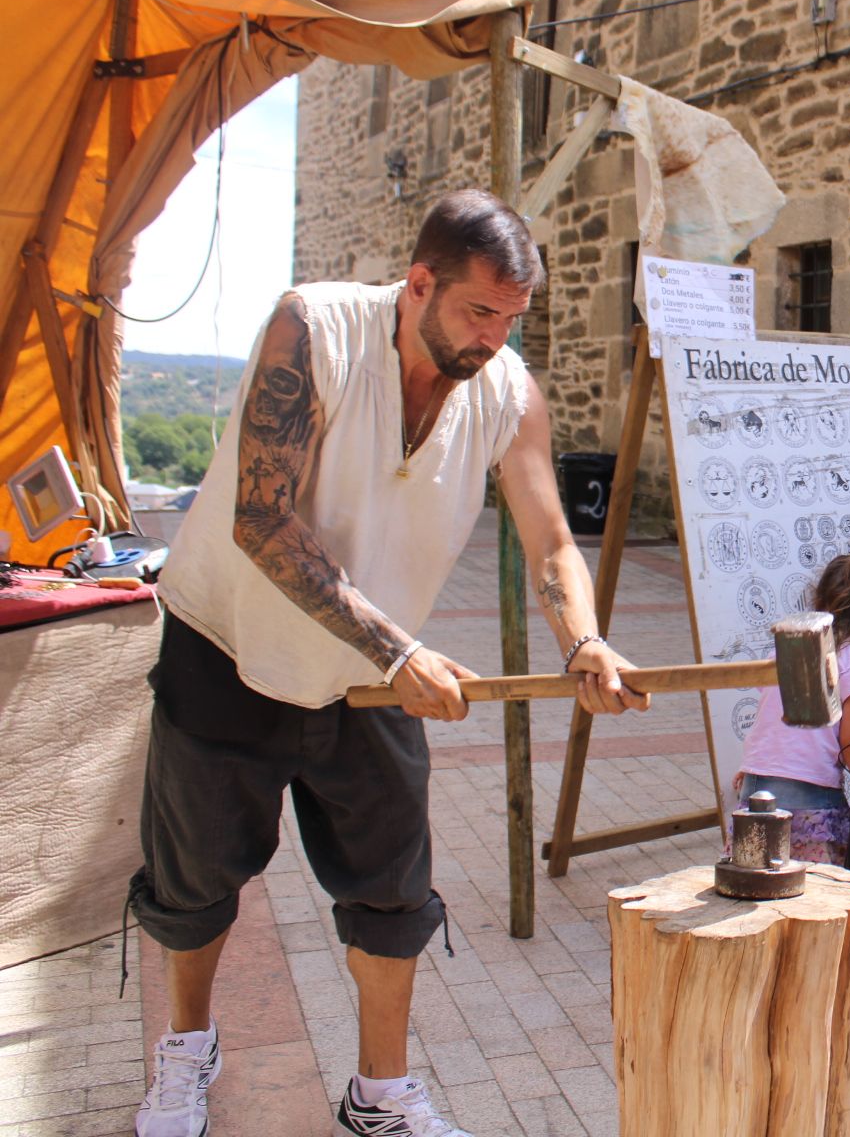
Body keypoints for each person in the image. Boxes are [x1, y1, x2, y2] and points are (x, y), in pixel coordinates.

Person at [129, 191, 646, 1137]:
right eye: (477, 312)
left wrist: (584, 639)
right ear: (418, 284)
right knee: (195, 883)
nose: (493, 338)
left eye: (511, 318)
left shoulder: (507, 390)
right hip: (230, 646)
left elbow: (548, 540)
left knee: (393, 891)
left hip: (369, 681)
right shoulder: (314, 328)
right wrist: (400, 647)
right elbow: (261, 519)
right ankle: (186, 1052)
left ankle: (379, 1095)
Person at [736, 549, 850, 865]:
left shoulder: (787, 651)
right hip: (811, 798)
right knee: (814, 889)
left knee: (756, 882)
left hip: (755, 785)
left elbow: (771, 721)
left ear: (819, 601)